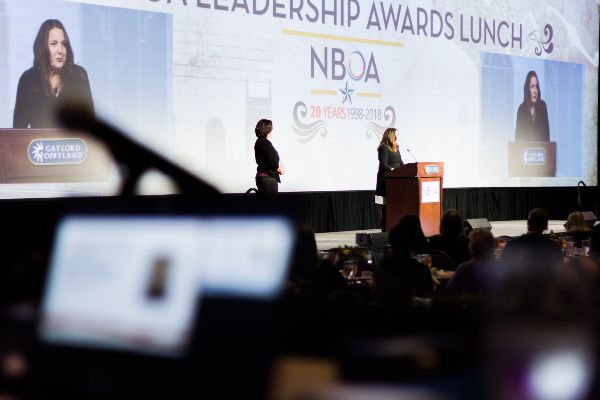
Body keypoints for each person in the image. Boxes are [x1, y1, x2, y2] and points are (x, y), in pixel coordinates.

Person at [13, 19, 94, 129]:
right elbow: (18, 130)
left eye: (64, 44)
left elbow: (90, 124)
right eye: (54, 44)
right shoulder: (28, 80)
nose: (61, 50)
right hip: (39, 141)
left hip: (72, 140)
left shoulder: (79, 76)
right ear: (42, 47)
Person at [445, 228, 500, 297]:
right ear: (493, 246)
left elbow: (449, 292)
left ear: (472, 247)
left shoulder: (465, 268)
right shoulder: (501, 268)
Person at [375, 127, 404, 231]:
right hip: (385, 180)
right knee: (384, 206)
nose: (399, 136)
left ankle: (393, 227)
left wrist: (406, 170)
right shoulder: (383, 147)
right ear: (392, 135)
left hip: (395, 181)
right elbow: (383, 164)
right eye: (397, 134)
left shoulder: (396, 147)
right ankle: (384, 229)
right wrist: (393, 170)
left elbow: (400, 162)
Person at [514, 70, 550, 142]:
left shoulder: (542, 106)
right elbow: (517, 139)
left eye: (536, 87)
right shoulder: (521, 109)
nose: (535, 91)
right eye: (532, 86)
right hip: (526, 149)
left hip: (541, 149)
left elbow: (547, 137)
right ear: (527, 89)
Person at [254, 119, 284, 198]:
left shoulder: (259, 142)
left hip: (264, 177)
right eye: (271, 128)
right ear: (267, 129)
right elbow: (272, 161)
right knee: (269, 204)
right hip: (268, 178)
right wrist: (279, 168)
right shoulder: (264, 142)